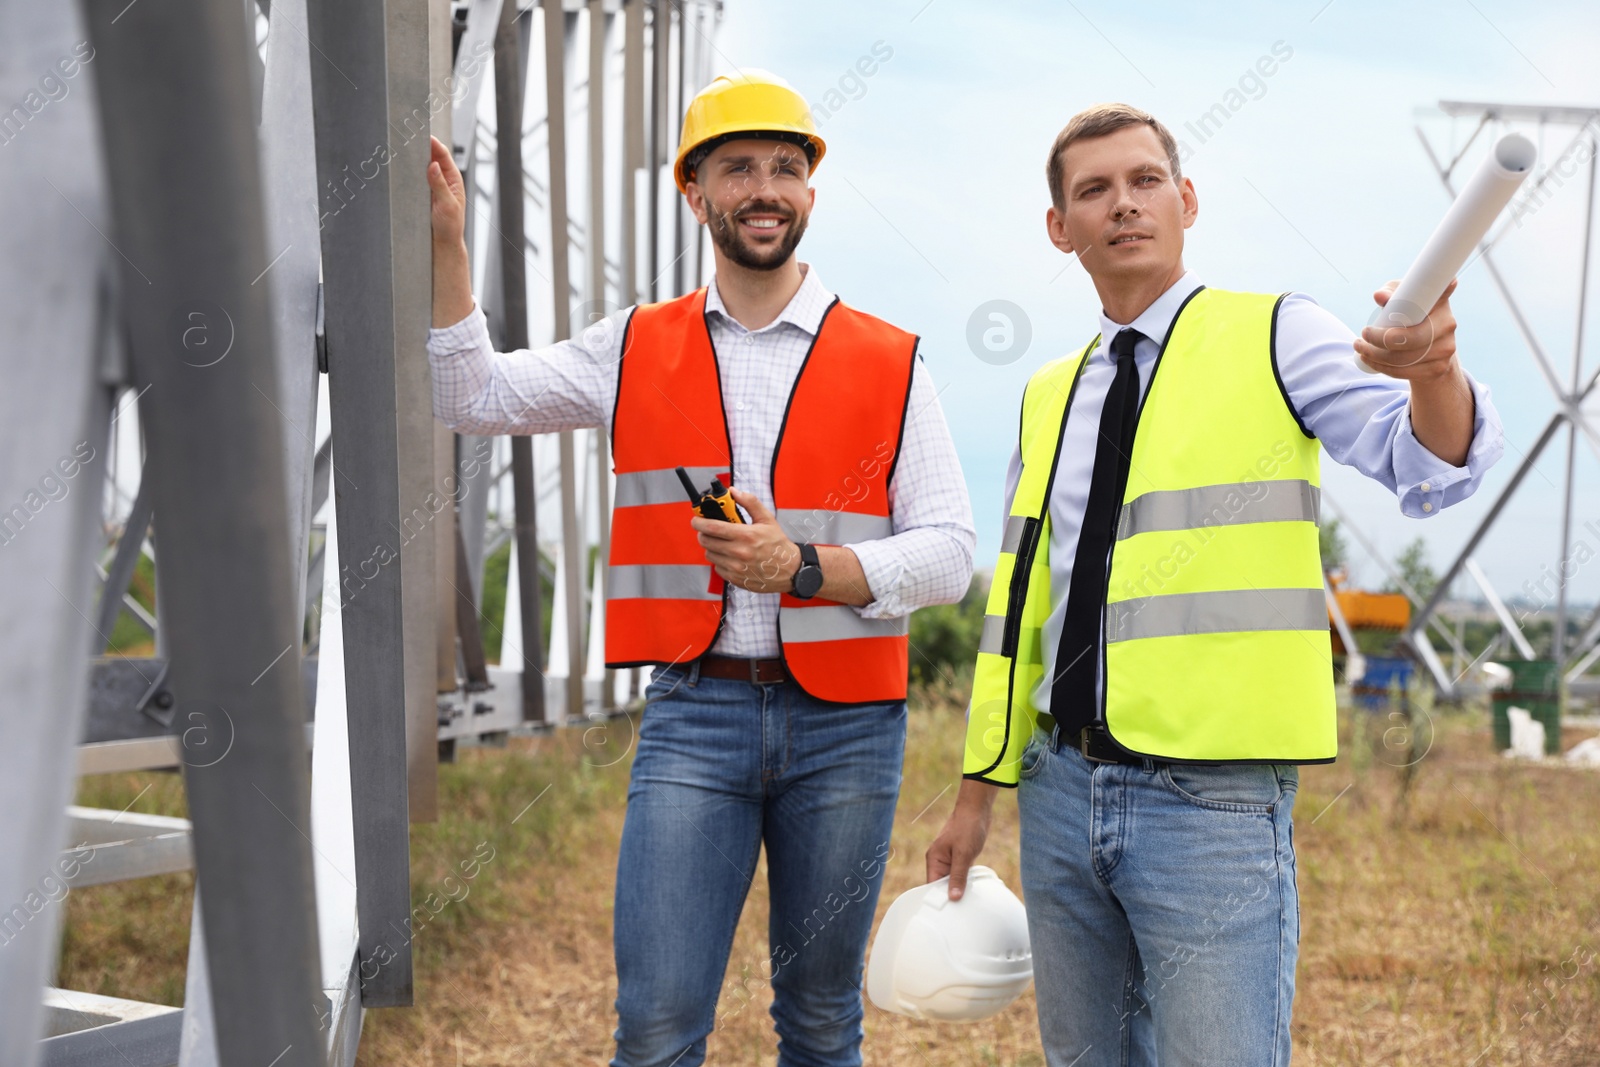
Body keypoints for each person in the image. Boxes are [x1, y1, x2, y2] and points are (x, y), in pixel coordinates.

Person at [926, 103, 1503, 1066]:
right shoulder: (1047, 393)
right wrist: (979, 788)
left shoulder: (1278, 334)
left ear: (1186, 200)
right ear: (1059, 228)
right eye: (1094, 190)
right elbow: (1022, 609)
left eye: (1146, 180)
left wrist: (1434, 368)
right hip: (1060, 792)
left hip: (1211, 806)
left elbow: (1428, 465)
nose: (1124, 205)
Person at [426, 70, 974, 1067]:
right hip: (696, 713)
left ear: (809, 193)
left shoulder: (892, 360)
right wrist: (447, 251)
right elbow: (471, 396)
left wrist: (800, 564)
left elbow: (950, 556)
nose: (763, 187)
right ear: (696, 193)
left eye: (784, 168)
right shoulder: (633, 345)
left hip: (846, 726)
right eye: (736, 169)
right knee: (656, 1024)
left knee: (818, 1019)